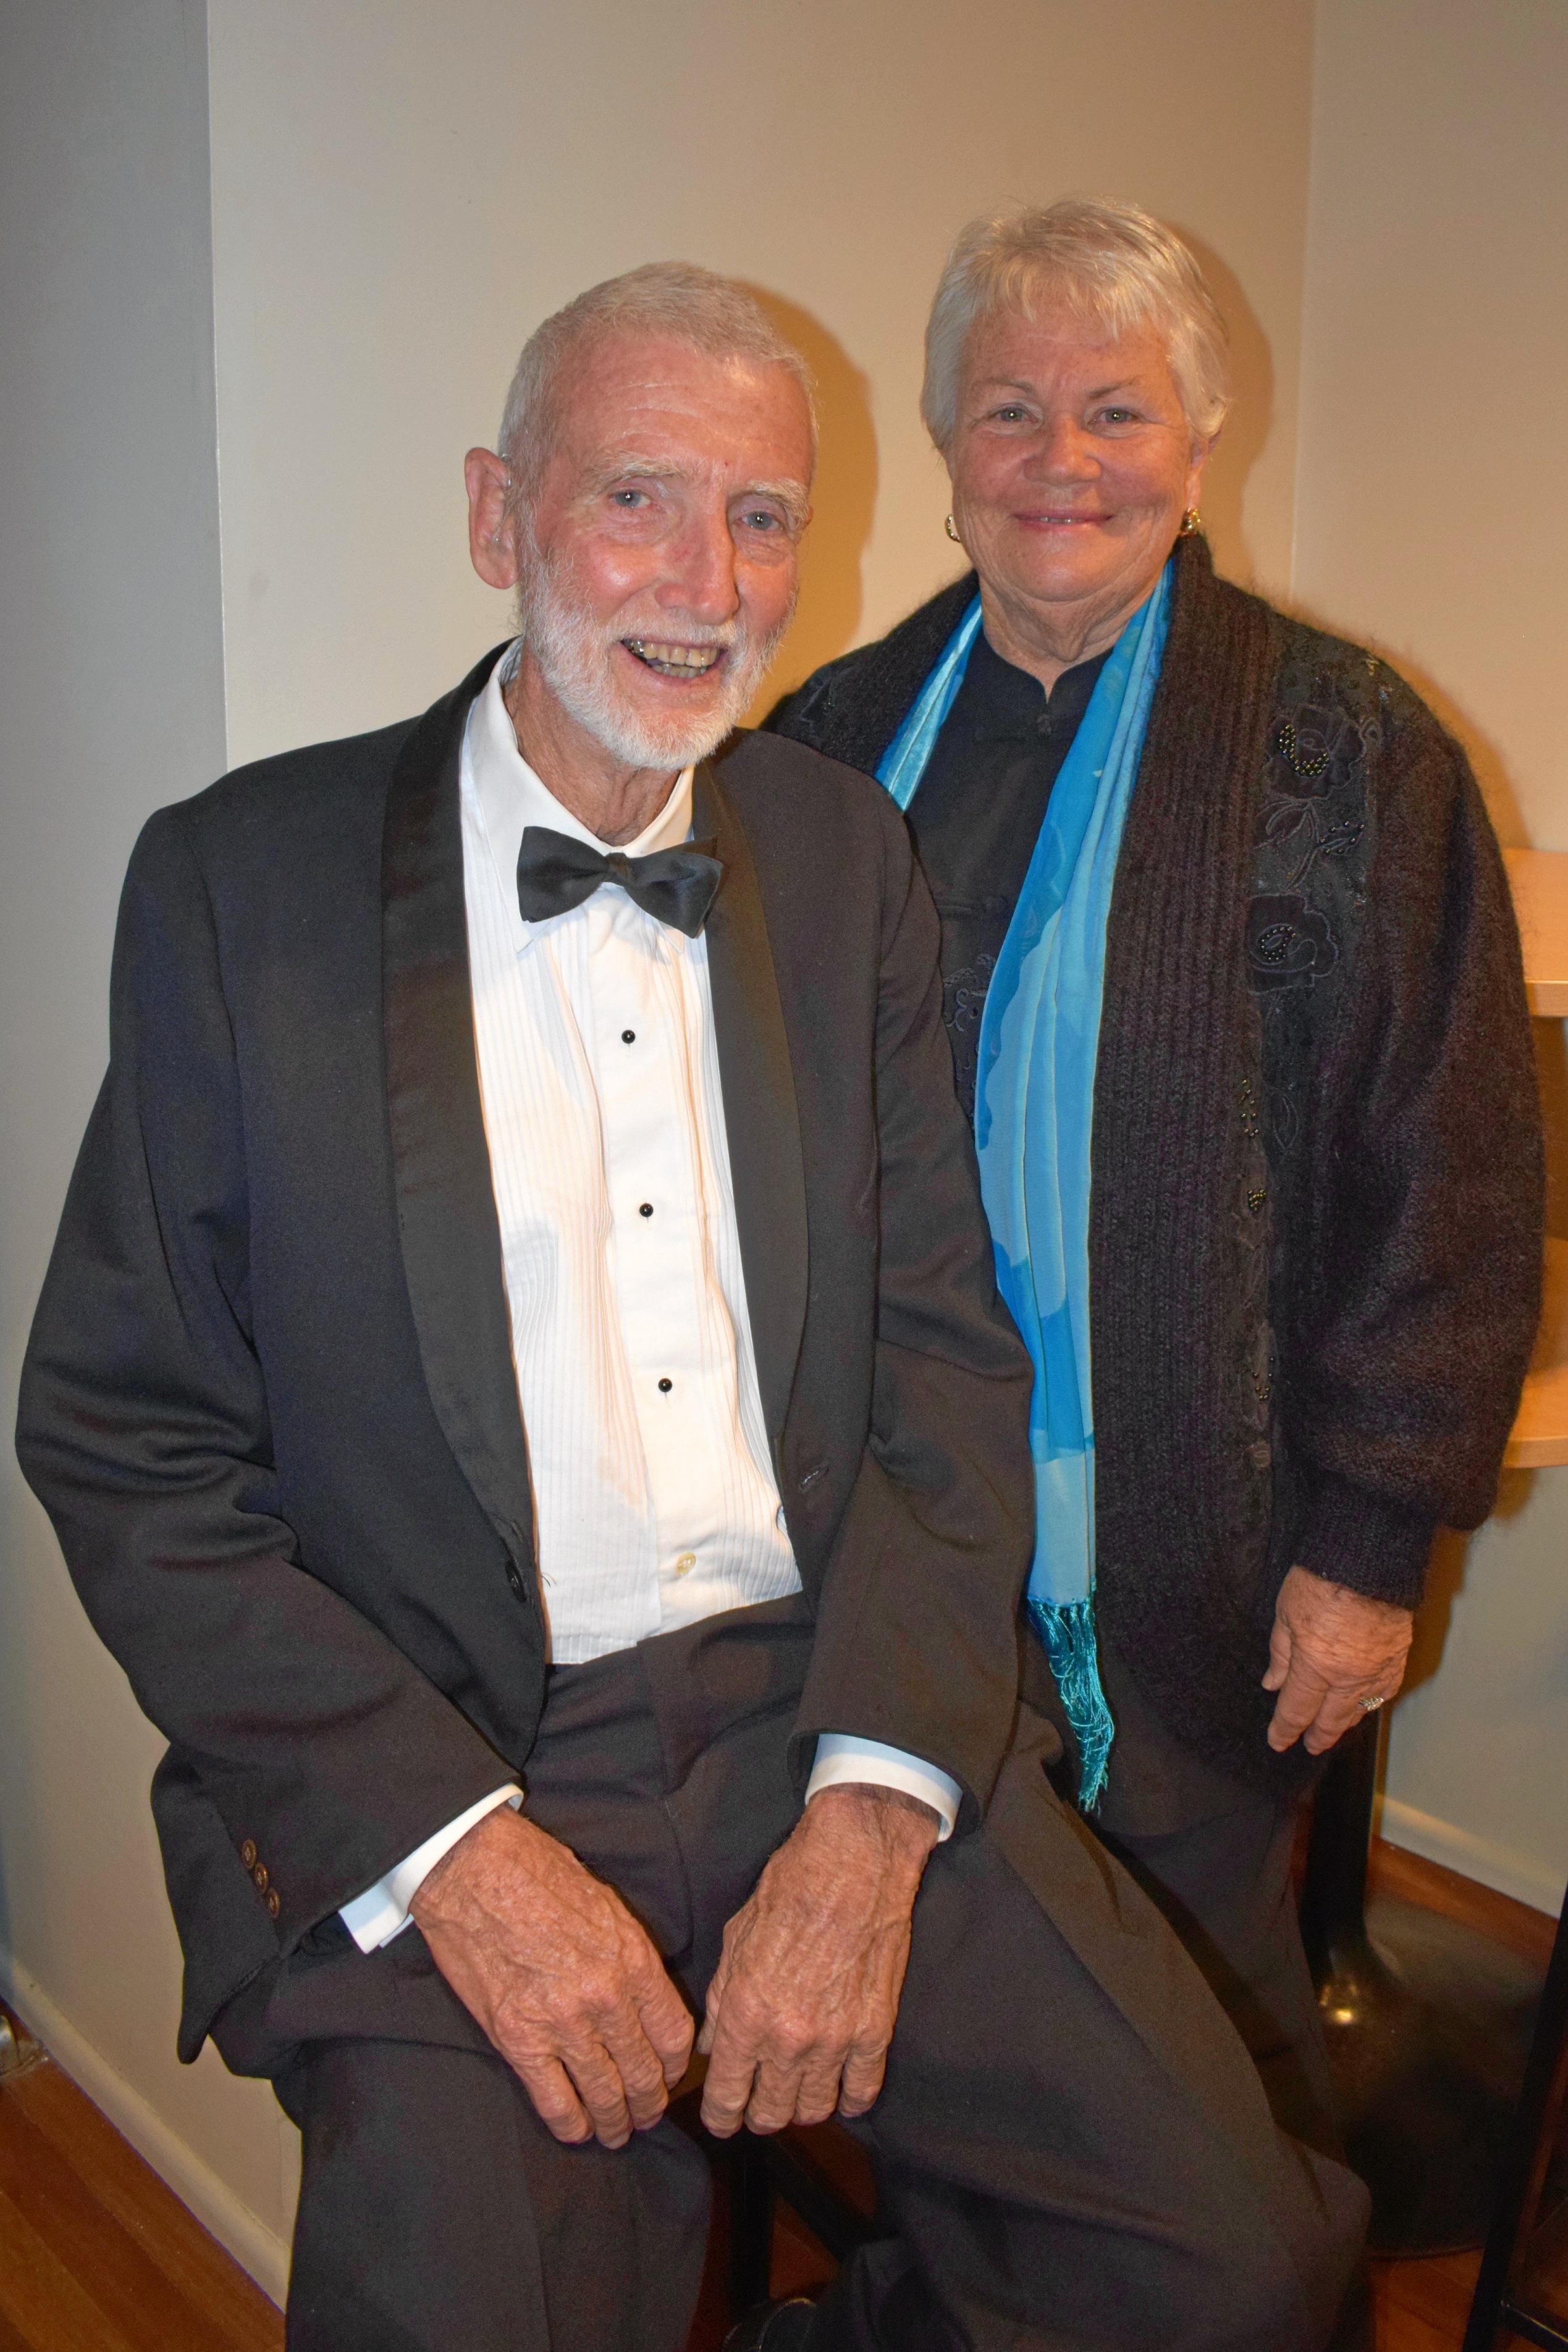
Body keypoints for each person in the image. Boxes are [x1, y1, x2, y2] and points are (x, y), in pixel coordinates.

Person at [18, 262, 1370, 2352]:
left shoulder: (842, 861)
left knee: (1232, 2271)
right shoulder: (241, 885)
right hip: (447, 1736)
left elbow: (940, 1359)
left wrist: (867, 1811)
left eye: (760, 516)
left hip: (818, 1699)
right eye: (637, 497)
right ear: (499, 518)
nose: (707, 576)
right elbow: (126, 1435)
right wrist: (457, 1856)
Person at [773, 198, 1545, 2158]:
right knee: (934, 2038)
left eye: (1113, 409)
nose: (1060, 462)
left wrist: (1370, 1551)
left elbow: (1445, 1174)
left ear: (1199, 441)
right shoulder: (828, 742)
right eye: (1009, 410)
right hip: (881, 1551)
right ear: (946, 452)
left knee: (1194, 2070)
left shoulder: (1352, 748)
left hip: (1206, 1548)